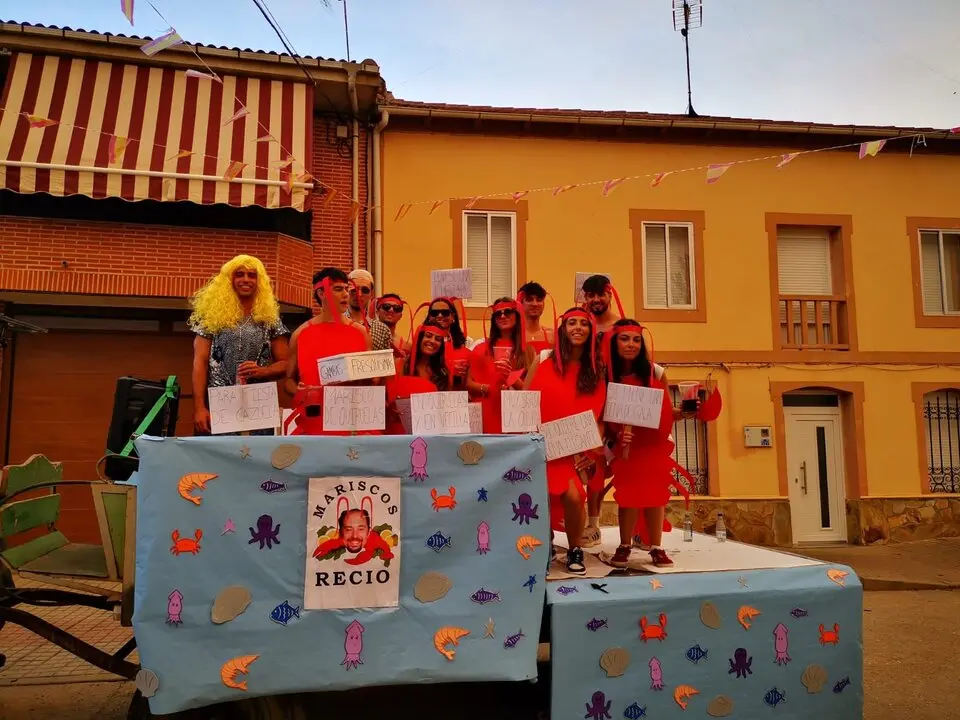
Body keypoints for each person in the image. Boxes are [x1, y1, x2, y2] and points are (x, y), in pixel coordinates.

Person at [604, 319, 698, 568]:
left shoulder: (656, 372)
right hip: (625, 446)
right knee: (627, 495)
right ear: (614, 343)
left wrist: (687, 412)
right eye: (625, 339)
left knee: (656, 495)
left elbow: (666, 410)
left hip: (653, 445)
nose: (631, 344)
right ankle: (625, 544)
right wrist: (614, 438)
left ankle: (656, 547)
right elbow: (600, 411)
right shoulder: (605, 374)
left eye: (636, 339)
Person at [524, 307, 606, 575]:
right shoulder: (544, 358)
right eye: (572, 323)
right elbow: (526, 399)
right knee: (539, 496)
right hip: (541, 444)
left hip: (572, 450)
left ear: (591, 331)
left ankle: (574, 548)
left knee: (574, 497)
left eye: (584, 323)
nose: (578, 328)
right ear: (563, 328)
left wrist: (589, 450)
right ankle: (544, 545)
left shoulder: (596, 368)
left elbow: (598, 413)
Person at [189, 254, 289, 435]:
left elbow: (287, 363)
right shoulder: (211, 317)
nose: (246, 279)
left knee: (258, 459)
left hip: (259, 405)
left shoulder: (270, 319)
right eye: (239, 274)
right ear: (229, 279)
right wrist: (199, 407)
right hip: (219, 404)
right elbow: (200, 363)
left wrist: (264, 371)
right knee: (220, 460)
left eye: (252, 275)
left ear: (260, 282)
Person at [284, 267, 371, 435]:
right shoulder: (300, 334)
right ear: (321, 293)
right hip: (314, 423)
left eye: (347, 288)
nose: (346, 294)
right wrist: (299, 391)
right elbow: (289, 381)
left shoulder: (361, 333)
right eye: (338, 289)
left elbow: (371, 383)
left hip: (352, 423)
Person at [467, 298, 534, 434]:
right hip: (486, 412)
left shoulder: (528, 351)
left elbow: (531, 394)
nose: (502, 316)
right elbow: (467, 384)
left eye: (507, 312)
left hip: (515, 418)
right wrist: (487, 388)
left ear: (517, 315)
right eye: (498, 314)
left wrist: (512, 377)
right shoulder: (480, 347)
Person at [384, 320, 448, 434]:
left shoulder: (442, 374)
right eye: (428, 336)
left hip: (428, 434)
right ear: (419, 338)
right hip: (397, 431)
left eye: (438, 339)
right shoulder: (398, 364)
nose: (432, 341)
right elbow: (385, 399)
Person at [422, 297, 473, 390]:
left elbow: (470, 382)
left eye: (445, 312)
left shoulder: (467, 344)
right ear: (429, 316)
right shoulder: (421, 343)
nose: (440, 315)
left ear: (452, 316)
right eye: (434, 313)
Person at [346, 269, 393, 352]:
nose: (359, 294)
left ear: (371, 294)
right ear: (346, 291)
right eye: (354, 290)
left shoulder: (382, 330)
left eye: (365, 290)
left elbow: (385, 362)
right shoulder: (335, 324)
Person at [517, 281, 554, 353]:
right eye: (529, 300)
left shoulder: (552, 335)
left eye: (539, 300)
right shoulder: (514, 335)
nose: (535, 304)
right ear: (520, 303)